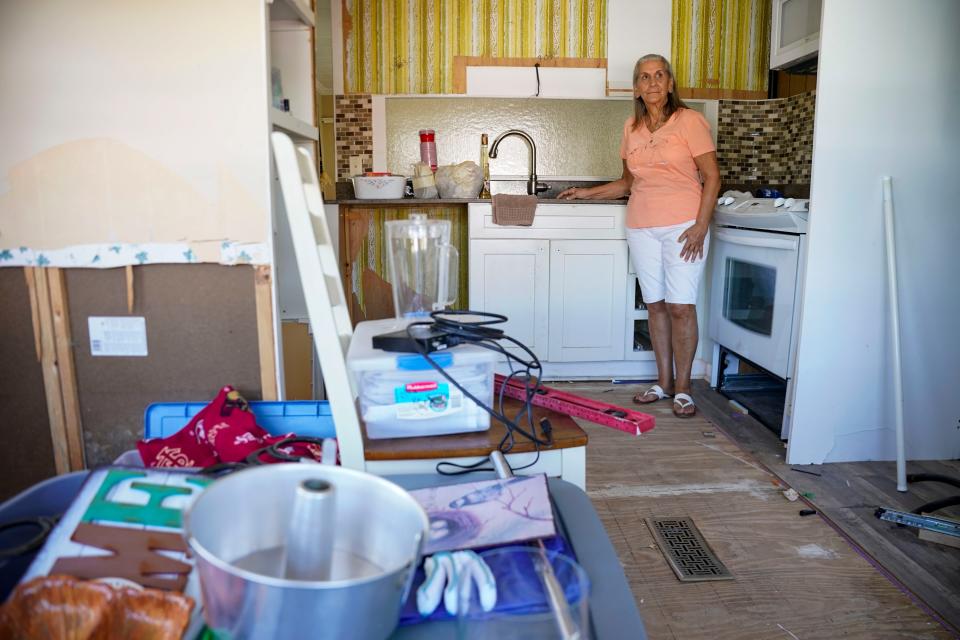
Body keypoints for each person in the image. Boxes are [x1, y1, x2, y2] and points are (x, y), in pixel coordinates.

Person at [559, 54, 720, 418]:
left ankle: (684, 388)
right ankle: (662, 383)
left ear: (671, 83)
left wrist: (700, 225)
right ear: (636, 87)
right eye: (644, 77)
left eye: (659, 75)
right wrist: (585, 193)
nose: (652, 83)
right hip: (641, 226)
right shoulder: (631, 127)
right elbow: (628, 183)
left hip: (683, 226)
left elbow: (712, 176)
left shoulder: (690, 121)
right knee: (656, 304)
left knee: (681, 306)